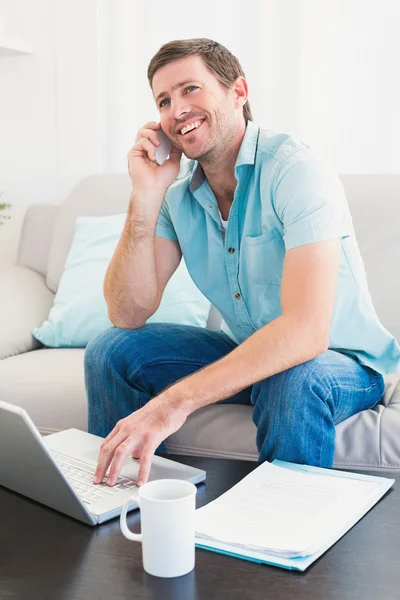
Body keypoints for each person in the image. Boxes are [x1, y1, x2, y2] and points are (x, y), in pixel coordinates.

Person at [85, 38, 400, 488]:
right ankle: (123, 505)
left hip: (339, 360)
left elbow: (306, 332)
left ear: (238, 91)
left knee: (292, 376)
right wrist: (145, 194)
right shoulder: (178, 199)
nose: (177, 110)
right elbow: (127, 311)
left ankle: (281, 533)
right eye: (164, 100)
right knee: (112, 350)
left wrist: (171, 404)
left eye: (191, 89)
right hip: (248, 352)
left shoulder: (295, 170)